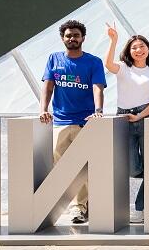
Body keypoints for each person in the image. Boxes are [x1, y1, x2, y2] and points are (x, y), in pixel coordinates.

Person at [39, 20, 107, 224]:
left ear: (83, 38)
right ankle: (76, 204)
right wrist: (43, 109)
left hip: (84, 121)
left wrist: (98, 111)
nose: (72, 38)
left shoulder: (93, 62)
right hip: (60, 120)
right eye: (68, 35)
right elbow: (48, 87)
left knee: (82, 165)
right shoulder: (54, 59)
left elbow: (97, 88)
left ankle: (79, 207)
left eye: (76, 35)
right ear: (63, 38)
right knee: (61, 165)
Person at [104, 23, 149, 224]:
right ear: (129, 51)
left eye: (142, 46)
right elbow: (108, 64)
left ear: (148, 49)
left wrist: (139, 116)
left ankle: (140, 208)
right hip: (123, 118)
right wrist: (113, 40)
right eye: (134, 47)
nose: (138, 50)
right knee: (132, 168)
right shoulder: (123, 68)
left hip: (147, 117)